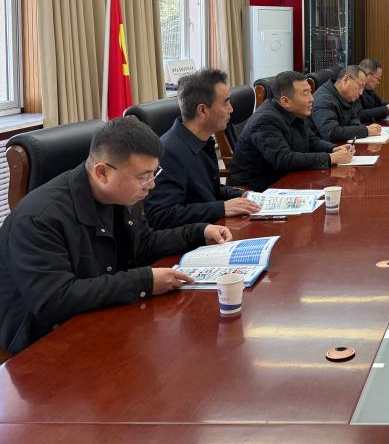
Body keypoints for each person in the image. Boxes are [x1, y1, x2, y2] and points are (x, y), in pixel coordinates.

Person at [0, 117, 232, 355]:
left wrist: (199, 232)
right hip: (42, 344)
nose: (151, 185)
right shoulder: (38, 219)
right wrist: (145, 281)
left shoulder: (121, 194)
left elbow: (142, 244)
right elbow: (55, 299)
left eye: (154, 173)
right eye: (143, 177)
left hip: (100, 316)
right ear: (102, 173)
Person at [145, 69, 260, 229]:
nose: (231, 109)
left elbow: (207, 191)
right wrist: (221, 208)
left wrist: (243, 195)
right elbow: (162, 215)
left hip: (212, 229)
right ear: (203, 110)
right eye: (226, 102)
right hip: (194, 238)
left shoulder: (202, 141)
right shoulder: (168, 152)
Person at [230, 70, 353, 191]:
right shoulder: (265, 120)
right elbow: (283, 160)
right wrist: (330, 158)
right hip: (261, 188)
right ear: (285, 101)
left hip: (287, 178)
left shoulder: (293, 111)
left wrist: (333, 149)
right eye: (305, 93)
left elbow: (311, 140)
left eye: (310, 92)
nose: (312, 99)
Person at [312, 64, 383, 142]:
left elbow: (354, 119)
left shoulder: (345, 96)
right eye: (360, 86)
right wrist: (365, 131)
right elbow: (331, 133)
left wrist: (358, 129)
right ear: (346, 80)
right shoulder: (324, 99)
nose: (361, 93)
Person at [355, 58, 389, 123]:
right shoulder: (354, 89)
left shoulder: (368, 89)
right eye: (378, 79)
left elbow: (377, 104)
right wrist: (386, 110)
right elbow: (359, 115)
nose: (378, 82)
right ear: (367, 74)